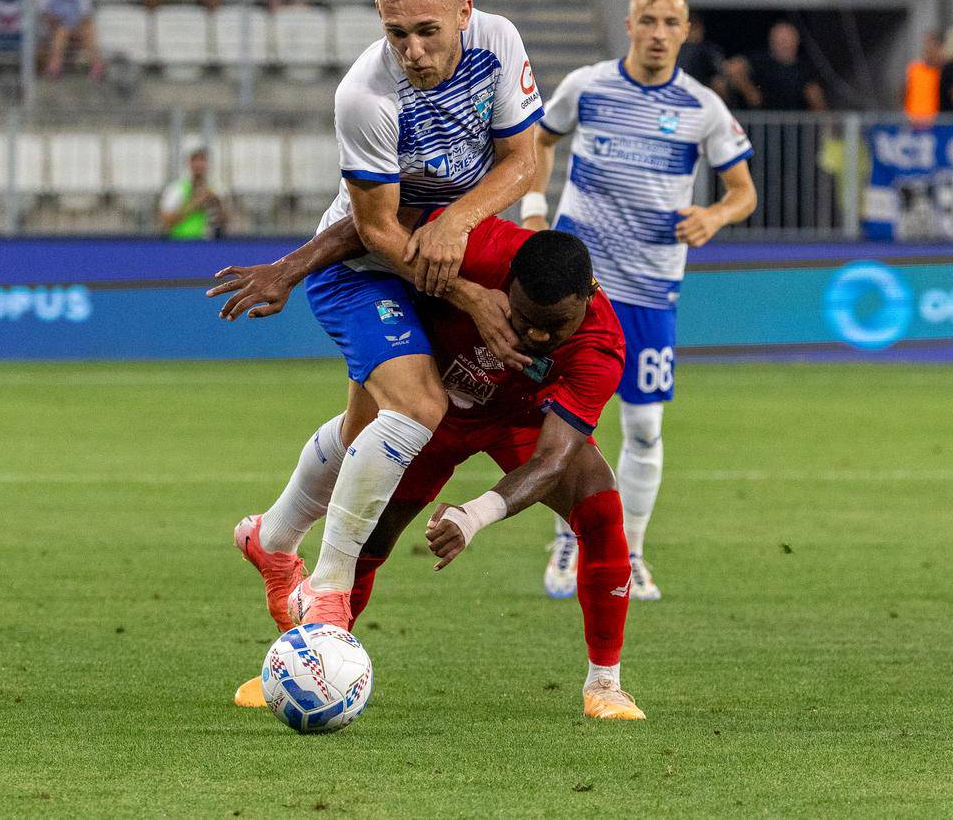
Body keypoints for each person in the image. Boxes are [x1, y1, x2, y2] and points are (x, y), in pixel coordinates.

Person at [217, 0, 542, 634]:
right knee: (420, 405)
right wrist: (467, 292)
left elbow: (524, 162)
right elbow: (377, 231)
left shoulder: (500, 42)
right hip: (365, 267)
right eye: (397, 32)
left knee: (366, 430)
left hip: (439, 249)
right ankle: (329, 588)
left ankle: (271, 542)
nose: (413, 50)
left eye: (428, 30)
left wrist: (455, 224)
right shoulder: (364, 94)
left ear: (464, 11)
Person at [213, 212, 643, 721]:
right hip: (430, 409)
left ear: (588, 299)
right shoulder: (478, 245)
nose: (536, 335)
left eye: (555, 326)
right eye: (523, 315)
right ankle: (306, 666)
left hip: (522, 418)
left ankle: (605, 685)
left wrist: (474, 514)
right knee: (367, 540)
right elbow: (369, 228)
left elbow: (553, 458)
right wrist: (288, 269)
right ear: (508, 280)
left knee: (600, 506)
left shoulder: (601, 345)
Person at [522, 0, 757, 602]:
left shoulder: (702, 108)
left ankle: (632, 553)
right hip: (582, 289)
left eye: (670, 23)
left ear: (686, 30)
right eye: (647, 21)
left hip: (653, 288)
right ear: (629, 23)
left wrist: (713, 216)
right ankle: (571, 541)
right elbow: (539, 144)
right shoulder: (587, 87)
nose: (657, 34)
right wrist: (532, 211)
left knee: (646, 426)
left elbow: (744, 192)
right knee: (568, 422)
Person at [739, 22, 828, 113]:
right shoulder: (760, 61)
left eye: (786, 40)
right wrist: (749, 91)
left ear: (796, 41)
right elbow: (733, 68)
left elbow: (816, 99)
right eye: (779, 40)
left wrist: (823, 123)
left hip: (792, 123)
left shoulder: (804, 69)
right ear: (771, 41)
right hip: (761, 122)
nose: (783, 45)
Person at [41, 0, 105, 81]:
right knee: (62, 32)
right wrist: (58, 23)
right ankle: (55, 66)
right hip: (57, 30)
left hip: (77, 30)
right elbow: (45, 15)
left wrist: (74, 27)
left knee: (88, 29)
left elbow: (86, 17)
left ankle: (97, 66)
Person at [159, 146, 227, 239]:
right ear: (189, 163)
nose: (198, 165)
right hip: (180, 242)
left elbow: (226, 222)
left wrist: (218, 203)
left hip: (207, 243)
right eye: (195, 161)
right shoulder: (176, 189)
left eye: (202, 161)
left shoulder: (216, 189)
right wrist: (195, 204)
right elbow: (166, 221)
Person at [902, 29, 944, 124]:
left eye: (933, 47)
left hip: (934, 121)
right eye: (927, 46)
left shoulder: (941, 71)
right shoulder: (913, 69)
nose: (929, 50)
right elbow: (904, 92)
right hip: (913, 120)